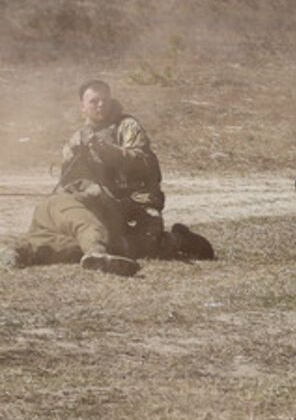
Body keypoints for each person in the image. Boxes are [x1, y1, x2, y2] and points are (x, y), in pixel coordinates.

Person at [3, 80, 213, 277]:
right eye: (93, 102)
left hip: (133, 203)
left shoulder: (127, 126)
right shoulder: (80, 137)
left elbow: (142, 162)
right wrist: (70, 156)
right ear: (83, 107)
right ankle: (34, 250)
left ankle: (179, 240)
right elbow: (68, 177)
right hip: (98, 203)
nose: (100, 105)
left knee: (144, 246)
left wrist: (108, 151)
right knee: (77, 234)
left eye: (104, 100)